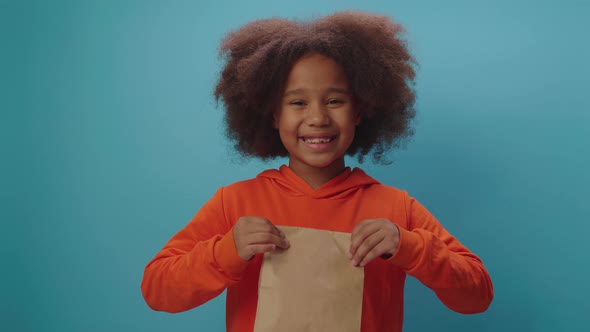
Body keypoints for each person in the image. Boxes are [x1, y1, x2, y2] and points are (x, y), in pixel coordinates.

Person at [141, 11, 494, 332]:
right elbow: (158, 291)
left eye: (335, 100)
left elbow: (477, 296)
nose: (318, 117)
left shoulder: (395, 210)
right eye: (297, 102)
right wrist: (227, 250)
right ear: (273, 115)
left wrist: (411, 247)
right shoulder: (234, 203)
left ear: (360, 111)